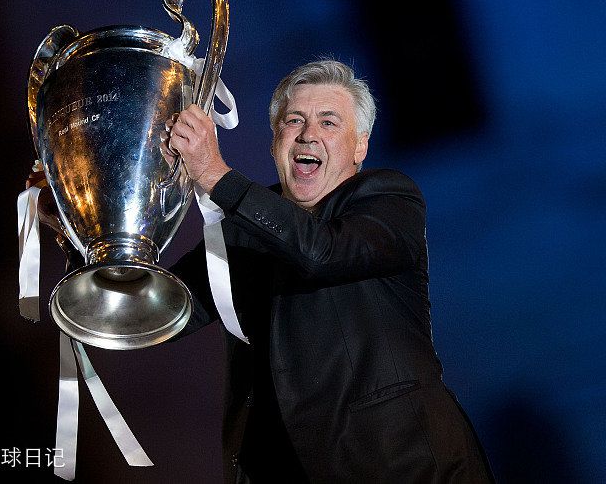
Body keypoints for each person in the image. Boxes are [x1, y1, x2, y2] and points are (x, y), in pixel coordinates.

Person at [30, 59, 494, 483]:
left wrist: (215, 174)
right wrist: (81, 232)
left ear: (359, 146)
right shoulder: (242, 232)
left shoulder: (389, 199)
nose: (307, 134)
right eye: (293, 121)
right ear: (274, 143)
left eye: (328, 123)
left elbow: (320, 252)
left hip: (401, 469)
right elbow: (151, 316)